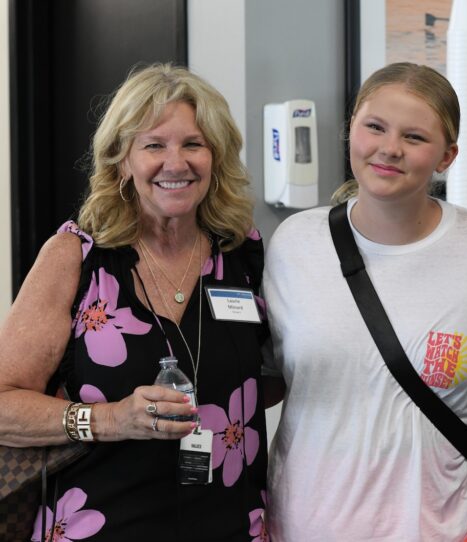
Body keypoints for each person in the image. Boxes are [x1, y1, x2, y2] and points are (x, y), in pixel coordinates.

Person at [0, 63, 274, 541]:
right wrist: (110, 419)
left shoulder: (241, 254)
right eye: (153, 145)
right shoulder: (76, 257)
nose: (176, 163)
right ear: (121, 160)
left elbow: (269, 375)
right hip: (102, 523)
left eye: (194, 144)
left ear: (217, 156)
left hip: (229, 523)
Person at [262, 62, 467, 541]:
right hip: (306, 524)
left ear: (447, 157)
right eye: (375, 127)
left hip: (447, 527)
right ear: (351, 131)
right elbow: (259, 376)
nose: (389, 149)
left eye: (414, 137)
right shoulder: (293, 245)